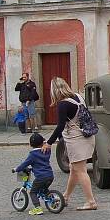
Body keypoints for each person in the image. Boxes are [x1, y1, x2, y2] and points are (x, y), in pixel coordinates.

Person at [43, 77, 98, 211]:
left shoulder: (63, 104)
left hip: (76, 140)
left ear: (55, 91)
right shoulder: (78, 97)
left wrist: (49, 143)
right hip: (87, 136)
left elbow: (60, 126)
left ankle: (91, 202)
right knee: (74, 169)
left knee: (81, 171)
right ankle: (66, 197)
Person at [15, 133, 55, 216]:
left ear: (30, 144)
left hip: (40, 177)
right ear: (42, 142)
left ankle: (37, 208)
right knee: (43, 189)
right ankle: (54, 201)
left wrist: (17, 169)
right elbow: (48, 145)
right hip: (50, 175)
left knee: (33, 192)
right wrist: (45, 143)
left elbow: (24, 164)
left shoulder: (32, 155)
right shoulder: (46, 151)